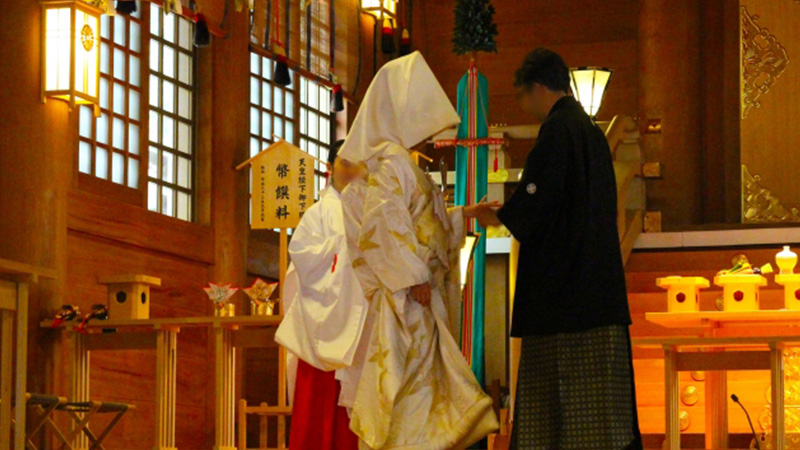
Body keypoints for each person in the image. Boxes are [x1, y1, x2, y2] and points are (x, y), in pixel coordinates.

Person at [472, 48, 643, 449]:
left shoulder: (558, 130)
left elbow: (539, 199)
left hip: (563, 297)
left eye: (521, 97)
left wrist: (497, 216)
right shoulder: (590, 132)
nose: (524, 106)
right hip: (596, 288)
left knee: (556, 406)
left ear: (536, 88)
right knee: (602, 413)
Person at [337, 51, 499, 450]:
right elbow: (384, 225)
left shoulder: (397, 163)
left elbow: (416, 221)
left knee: (422, 394)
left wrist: (466, 214)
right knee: (415, 395)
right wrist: (412, 278)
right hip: (407, 299)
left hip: (414, 294)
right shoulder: (391, 163)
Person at [275, 140, 368, 450]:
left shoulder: (369, 212)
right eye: (344, 162)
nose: (352, 170)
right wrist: (344, 243)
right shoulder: (318, 213)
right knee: (320, 415)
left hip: (361, 324)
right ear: (330, 168)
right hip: (324, 324)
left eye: (358, 163)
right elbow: (302, 258)